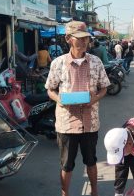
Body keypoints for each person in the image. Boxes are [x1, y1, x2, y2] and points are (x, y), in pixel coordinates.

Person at [45, 21, 110, 196]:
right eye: (79, 38)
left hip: (90, 123)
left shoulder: (96, 62)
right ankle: (65, 193)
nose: (84, 42)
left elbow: (104, 87)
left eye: (86, 38)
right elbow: (50, 89)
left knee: (91, 161)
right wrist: (60, 99)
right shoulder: (58, 63)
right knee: (67, 164)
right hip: (67, 123)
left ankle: (94, 191)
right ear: (68, 39)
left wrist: (94, 98)